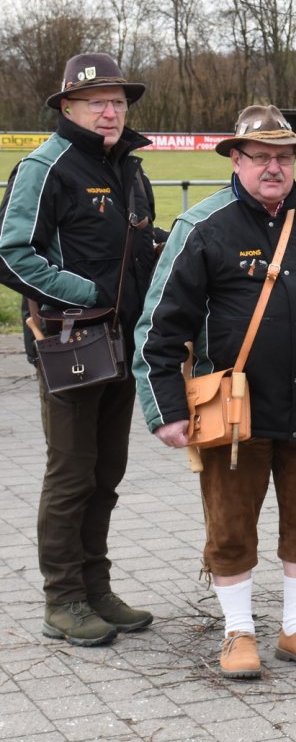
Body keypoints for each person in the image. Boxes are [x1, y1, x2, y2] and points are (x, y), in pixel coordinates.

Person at [134, 105, 296, 679]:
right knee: (229, 527)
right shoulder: (203, 227)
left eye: (284, 157)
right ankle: (237, 632)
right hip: (233, 411)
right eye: (261, 157)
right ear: (236, 160)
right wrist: (164, 410)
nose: (274, 167)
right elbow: (159, 325)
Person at [0, 53, 164, 647]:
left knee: (106, 472)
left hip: (124, 345)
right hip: (71, 343)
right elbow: (12, 252)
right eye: (97, 101)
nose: (110, 110)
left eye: (118, 101)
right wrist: (90, 294)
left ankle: (96, 589)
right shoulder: (46, 167)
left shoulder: (130, 169)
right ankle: (63, 597)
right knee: (71, 475)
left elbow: (135, 246)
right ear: (67, 106)